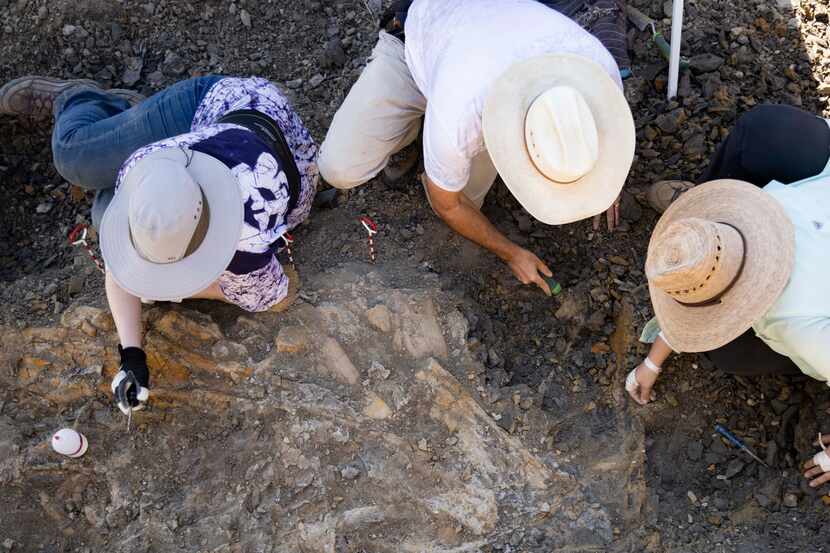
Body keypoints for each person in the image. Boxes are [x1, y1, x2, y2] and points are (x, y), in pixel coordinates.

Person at [0, 75, 318, 415]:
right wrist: (132, 357)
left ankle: (99, 110)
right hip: (214, 116)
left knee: (87, 184)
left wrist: (180, 287)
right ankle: (106, 110)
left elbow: (281, 295)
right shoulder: (147, 165)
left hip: (255, 119)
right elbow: (119, 268)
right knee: (88, 181)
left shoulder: (245, 244)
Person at [318, 0, 635, 295]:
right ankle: (409, 133)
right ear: (516, 143)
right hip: (415, 40)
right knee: (340, 168)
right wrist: (511, 253)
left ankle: (432, 146)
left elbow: (608, 129)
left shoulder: (598, 71)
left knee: (470, 198)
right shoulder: (461, 118)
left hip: (473, 53)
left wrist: (604, 175)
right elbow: (449, 206)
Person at [624, 104, 830, 489]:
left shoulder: (792, 323)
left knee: (728, 352)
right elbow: (713, 280)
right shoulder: (768, 205)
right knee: (759, 127)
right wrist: (653, 361)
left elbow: (712, 298)